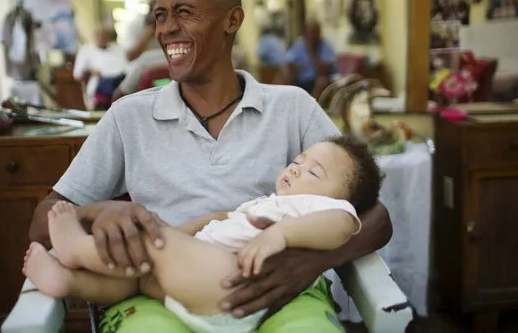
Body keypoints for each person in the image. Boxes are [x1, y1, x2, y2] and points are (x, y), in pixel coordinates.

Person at [29, 0, 392, 333]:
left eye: (184, 12)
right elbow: (44, 219)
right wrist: (97, 212)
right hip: (158, 293)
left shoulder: (291, 107)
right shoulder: (129, 116)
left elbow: (374, 214)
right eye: (160, 15)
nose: (167, 27)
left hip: (281, 290)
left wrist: (310, 263)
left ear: (232, 20)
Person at [24, 136, 382, 333]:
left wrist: (280, 237)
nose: (297, 168)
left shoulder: (326, 211)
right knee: (134, 276)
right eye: (299, 160)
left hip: (232, 282)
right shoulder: (268, 203)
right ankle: (68, 282)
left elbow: (341, 226)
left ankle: (77, 248)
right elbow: (214, 221)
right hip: (196, 286)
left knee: (153, 248)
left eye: (313, 172)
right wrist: (180, 231)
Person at [72, 26, 128, 108]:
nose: (103, 38)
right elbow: (77, 73)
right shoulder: (86, 50)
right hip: (101, 81)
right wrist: (91, 70)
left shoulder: (118, 48)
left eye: (106, 35)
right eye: (100, 35)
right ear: (94, 36)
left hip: (122, 79)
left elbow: (127, 65)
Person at [282, 19, 337, 98]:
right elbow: (287, 62)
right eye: (309, 32)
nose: (312, 35)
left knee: (321, 80)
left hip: (317, 80)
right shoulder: (299, 44)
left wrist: (311, 51)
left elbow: (322, 71)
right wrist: (290, 69)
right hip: (301, 79)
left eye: (314, 32)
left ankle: (311, 105)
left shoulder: (325, 46)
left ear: (319, 33)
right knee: (284, 74)